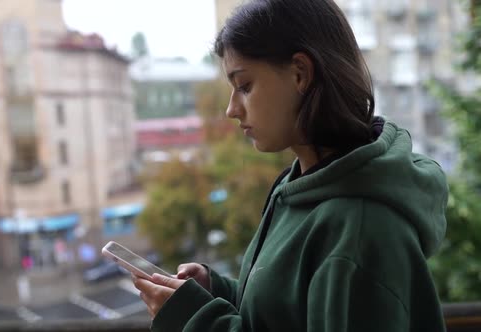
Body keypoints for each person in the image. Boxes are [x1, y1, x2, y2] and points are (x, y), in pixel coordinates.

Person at [132, 0, 449, 331]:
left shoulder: (358, 229)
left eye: (244, 86)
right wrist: (216, 292)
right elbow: (286, 314)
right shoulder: (301, 186)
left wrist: (193, 319)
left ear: (300, 74)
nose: (231, 109)